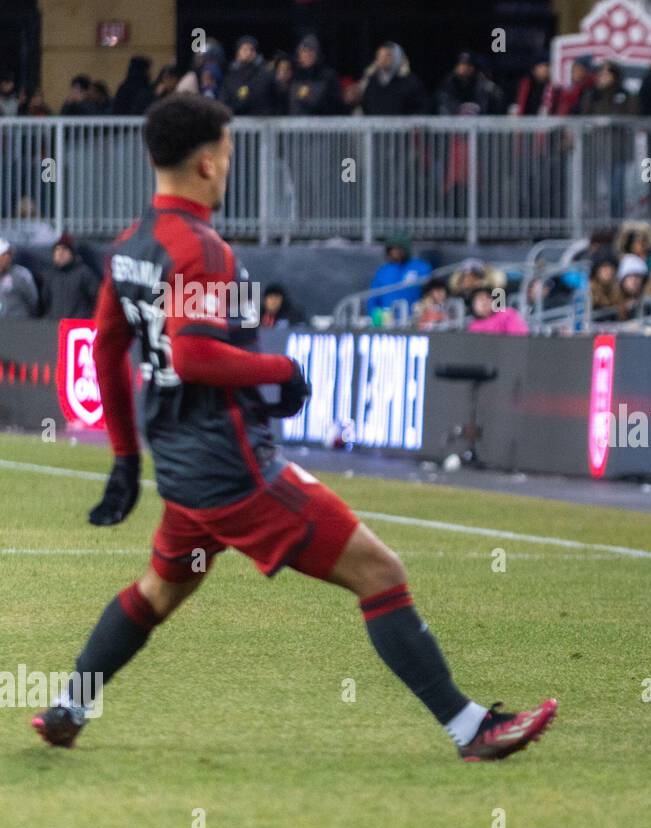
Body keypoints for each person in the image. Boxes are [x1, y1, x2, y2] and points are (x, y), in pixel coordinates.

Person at [30, 93, 556, 761]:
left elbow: (105, 346)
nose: (227, 162)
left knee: (159, 588)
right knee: (380, 569)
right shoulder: (202, 249)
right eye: (226, 151)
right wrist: (278, 365)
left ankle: (70, 706)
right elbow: (192, 353)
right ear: (205, 164)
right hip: (234, 467)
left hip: (184, 470)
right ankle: (471, 727)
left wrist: (127, 459)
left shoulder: (133, 244)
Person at [367, 234, 432, 323]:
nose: (395, 252)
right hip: (387, 321)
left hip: (413, 320)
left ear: (405, 249)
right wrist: (375, 315)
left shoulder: (421, 267)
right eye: (392, 250)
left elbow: (429, 292)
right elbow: (373, 297)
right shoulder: (384, 270)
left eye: (398, 249)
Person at [41, 233, 100, 319]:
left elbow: (97, 299)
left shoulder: (84, 273)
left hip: (78, 326)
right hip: (54, 325)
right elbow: (45, 301)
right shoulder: (50, 275)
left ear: (72, 253)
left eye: (64, 250)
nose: (60, 254)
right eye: (57, 250)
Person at [0, 238, 40, 320]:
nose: (7, 257)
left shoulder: (21, 274)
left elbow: (33, 300)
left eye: (9, 254)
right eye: (4, 254)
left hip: (19, 324)